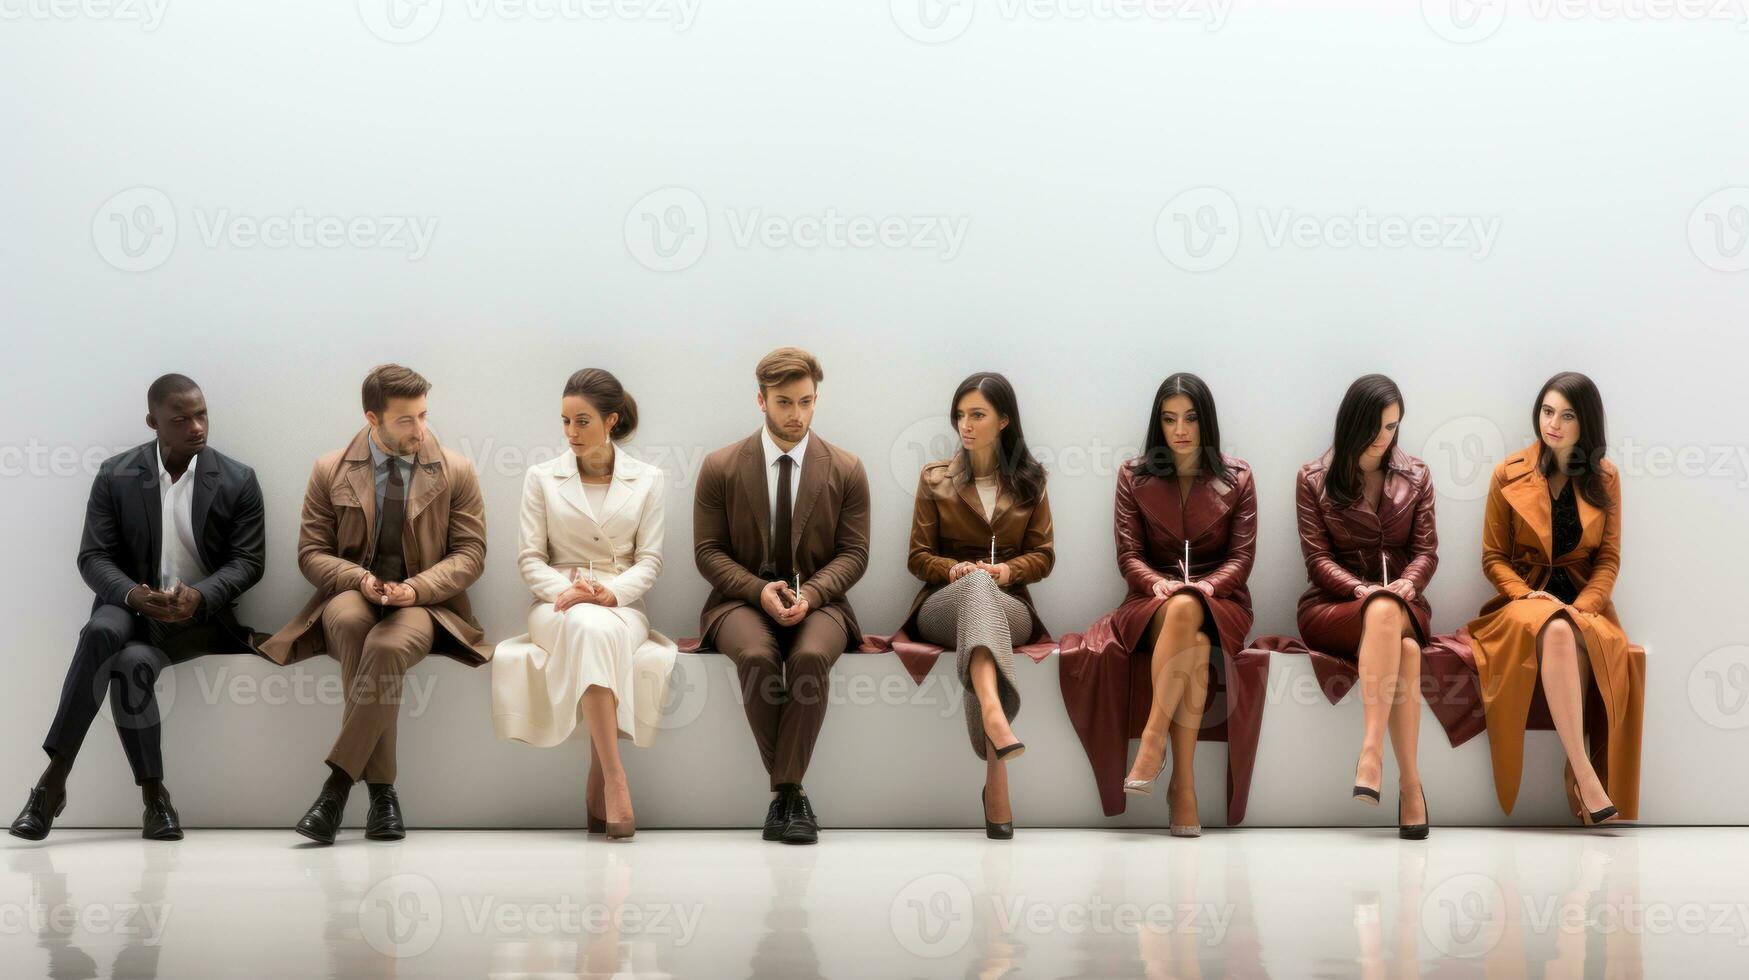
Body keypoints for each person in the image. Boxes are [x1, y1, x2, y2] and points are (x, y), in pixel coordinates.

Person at [10, 374, 266, 841]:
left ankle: (124, 793)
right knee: (100, 633)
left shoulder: (237, 479)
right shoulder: (116, 474)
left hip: (198, 619)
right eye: (181, 418)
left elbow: (248, 562)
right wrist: (131, 594)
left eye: (201, 414)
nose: (196, 426)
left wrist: (200, 595)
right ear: (154, 422)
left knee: (130, 662)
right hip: (130, 605)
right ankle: (69, 781)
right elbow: (93, 556)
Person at [262, 363, 491, 844]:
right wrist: (359, 579)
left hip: (425, 605)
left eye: (424, 415)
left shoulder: (456, 470)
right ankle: (383, 797)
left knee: (385, 649)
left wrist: (417, 588)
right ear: (373, 419)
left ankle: (339, 789)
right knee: (347, 624)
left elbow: (471, 555)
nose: (420, 429)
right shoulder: (329, 469)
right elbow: (310, 553)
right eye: (406, 420)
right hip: (352, 594)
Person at [692, 347, 870, 845]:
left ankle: (784, 797)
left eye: (807, 402)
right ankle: (793, 796)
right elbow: (707, 553)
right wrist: (756, 589)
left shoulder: (847, 468)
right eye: (785, 402)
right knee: (757, 656)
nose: (797, 415)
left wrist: (811, 595)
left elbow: (855, 555)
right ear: (761, 400)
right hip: (739, 601)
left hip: (823, 602)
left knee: (811, 657)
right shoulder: (721, 466)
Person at [1066, 373, 1255, 839]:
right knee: (1184, 625)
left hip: (1223, 603)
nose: (1180, 429)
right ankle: (1183, 787)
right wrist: (1157, 585)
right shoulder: (1134, 475)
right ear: (1159, 424)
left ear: (1205, 421)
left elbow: (1242, 557)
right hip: (1149, 604)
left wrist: (1208, 586)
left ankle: (1154, 746)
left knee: (1191, 616)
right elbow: (1128, 555)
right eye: (1169, 419)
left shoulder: (1240, 476)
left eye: (1190, 418)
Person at [492, 368, 678, 841]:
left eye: (583, 421)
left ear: (611, 420)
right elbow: (530, 558)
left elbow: (651, 560)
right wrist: (567, 592)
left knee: (599, 627)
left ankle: (600, 775)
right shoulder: (541, 478)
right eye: (565, 421)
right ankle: (615, 778)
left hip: (622, 605)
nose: (571, 432)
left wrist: (610, 594)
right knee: (587, 626)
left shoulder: (649, 480)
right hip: (555, 607)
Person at [1465, 371, 1639, 825]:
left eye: (1566, 415)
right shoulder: (1508, 471)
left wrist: (1584, 607)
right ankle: (1585, 775)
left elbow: (1609, 561)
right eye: (1546, 411)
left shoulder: (1606, 478)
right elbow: (1493, 558)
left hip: (1586, 604)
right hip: (1522, 604)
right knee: (1554, 627)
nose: (1553, 423)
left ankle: (1582, 776)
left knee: (1566, 628)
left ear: (1587, 424)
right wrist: (1527, 595)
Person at [901, 372, 1054, 839]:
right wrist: (955, 570)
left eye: (977, 415)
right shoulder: (935, 478)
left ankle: (992, 729)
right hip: (943, 607)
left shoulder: (1031, 481)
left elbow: (1044, 556)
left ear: (1003, 420)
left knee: (986, 593)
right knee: (975, 590)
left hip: (1012, 608)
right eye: (960, 415)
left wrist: (1005, 573)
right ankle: (996, 739)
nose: (965, 425)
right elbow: (917, 557)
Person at [1295, 374, 1437, 839]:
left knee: (1408, 646)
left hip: (1404, 604)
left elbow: (1426, 552)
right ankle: (1395, 773)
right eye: (1376, 427)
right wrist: (1362, 590)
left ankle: (1398, 774)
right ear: (1351, 423)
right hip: (1335, 608)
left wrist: (1407, 585)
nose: (1384, 438)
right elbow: (1316, 560)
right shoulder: (1313, 478)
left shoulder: (1416, 474)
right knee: (1382, 613)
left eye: (1393, 427)